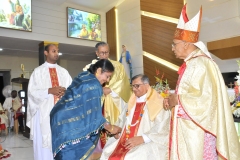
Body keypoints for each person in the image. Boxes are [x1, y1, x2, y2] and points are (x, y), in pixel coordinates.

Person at [164, 4, 240, 160]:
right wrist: (173, 100)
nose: (172, 48)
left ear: (186, 43)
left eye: (174, 44)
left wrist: (177, 99)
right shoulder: (191, 63)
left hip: (198, 132)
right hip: (188, 129)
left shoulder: (201, 63)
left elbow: (206, 101)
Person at [50, 59, 122, 160]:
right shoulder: (94, 85)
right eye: (107, 76)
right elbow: (95, 117)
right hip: (70, 125)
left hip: (59, 119)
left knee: (65, 154)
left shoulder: (84, 76)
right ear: (99, 71)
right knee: (74, 153)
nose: (108, 80)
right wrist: (112, 128)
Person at [101, 74, 170, 159]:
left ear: (147, 85)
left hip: (148, 141)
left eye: (137, 86)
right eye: (132, 86)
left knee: (132, 156)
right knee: (107, 150)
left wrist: (143, 138)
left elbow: (164, 128)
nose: (134, 89)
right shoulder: (131, 102)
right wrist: (118, 130)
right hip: (125, 139)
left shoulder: (158, 103)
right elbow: (123, 121)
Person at [83, 42, 131, 157]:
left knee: (112, 136)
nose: (105, 55)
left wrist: (111, 90)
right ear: (97, 53)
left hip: (113, 104)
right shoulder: (90, 68)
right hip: (96, 103)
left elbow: (123, 84)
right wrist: (99, 90)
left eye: (107, 52)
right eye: (102, 53)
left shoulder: (118, 66)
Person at [27, 44, 72, 160]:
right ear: (46, 53)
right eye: (53, 51)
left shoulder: (64, 72)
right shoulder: (38, 72)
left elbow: (71, 90)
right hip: (43, 114)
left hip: (61, 115)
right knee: (44, 148)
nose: (56, 53)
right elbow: (32, 93)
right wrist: (49, 91)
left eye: (57, 51)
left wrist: (65, 92)